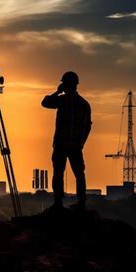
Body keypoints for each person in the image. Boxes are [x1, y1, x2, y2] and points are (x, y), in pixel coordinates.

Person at [41, 71, 91, 211]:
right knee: (79, 174)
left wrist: (57, 92)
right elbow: (88, 127)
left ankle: (58, 202)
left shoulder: (62, 100)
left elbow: (45, 103)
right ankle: (81, 203)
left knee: (58, 173)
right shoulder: (84, 104)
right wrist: (81, 143)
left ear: (65, 85)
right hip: (76, 146)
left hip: (61, 144)